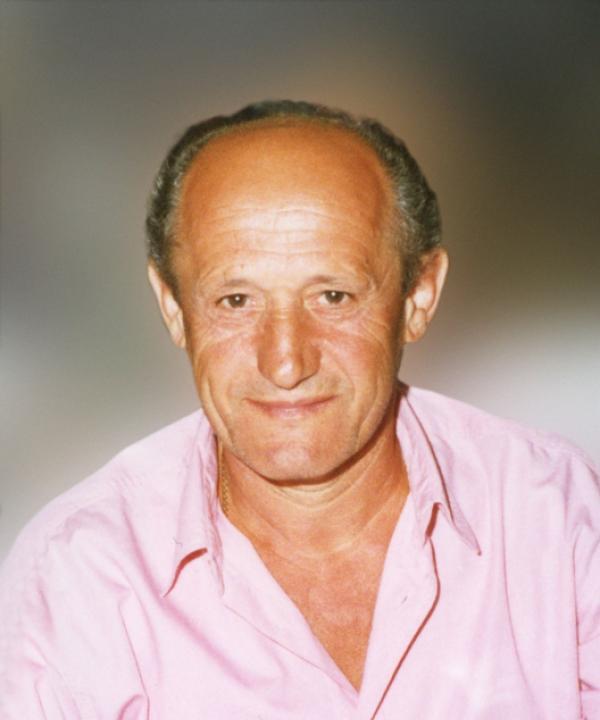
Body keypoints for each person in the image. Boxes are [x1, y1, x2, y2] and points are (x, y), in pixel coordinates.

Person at [1, 100, 598, 719]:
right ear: (173, 307)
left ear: (418, 296)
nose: (285, 362)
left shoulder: (559, 516)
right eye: (236, 301)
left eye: (333, 296)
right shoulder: (78, 574)